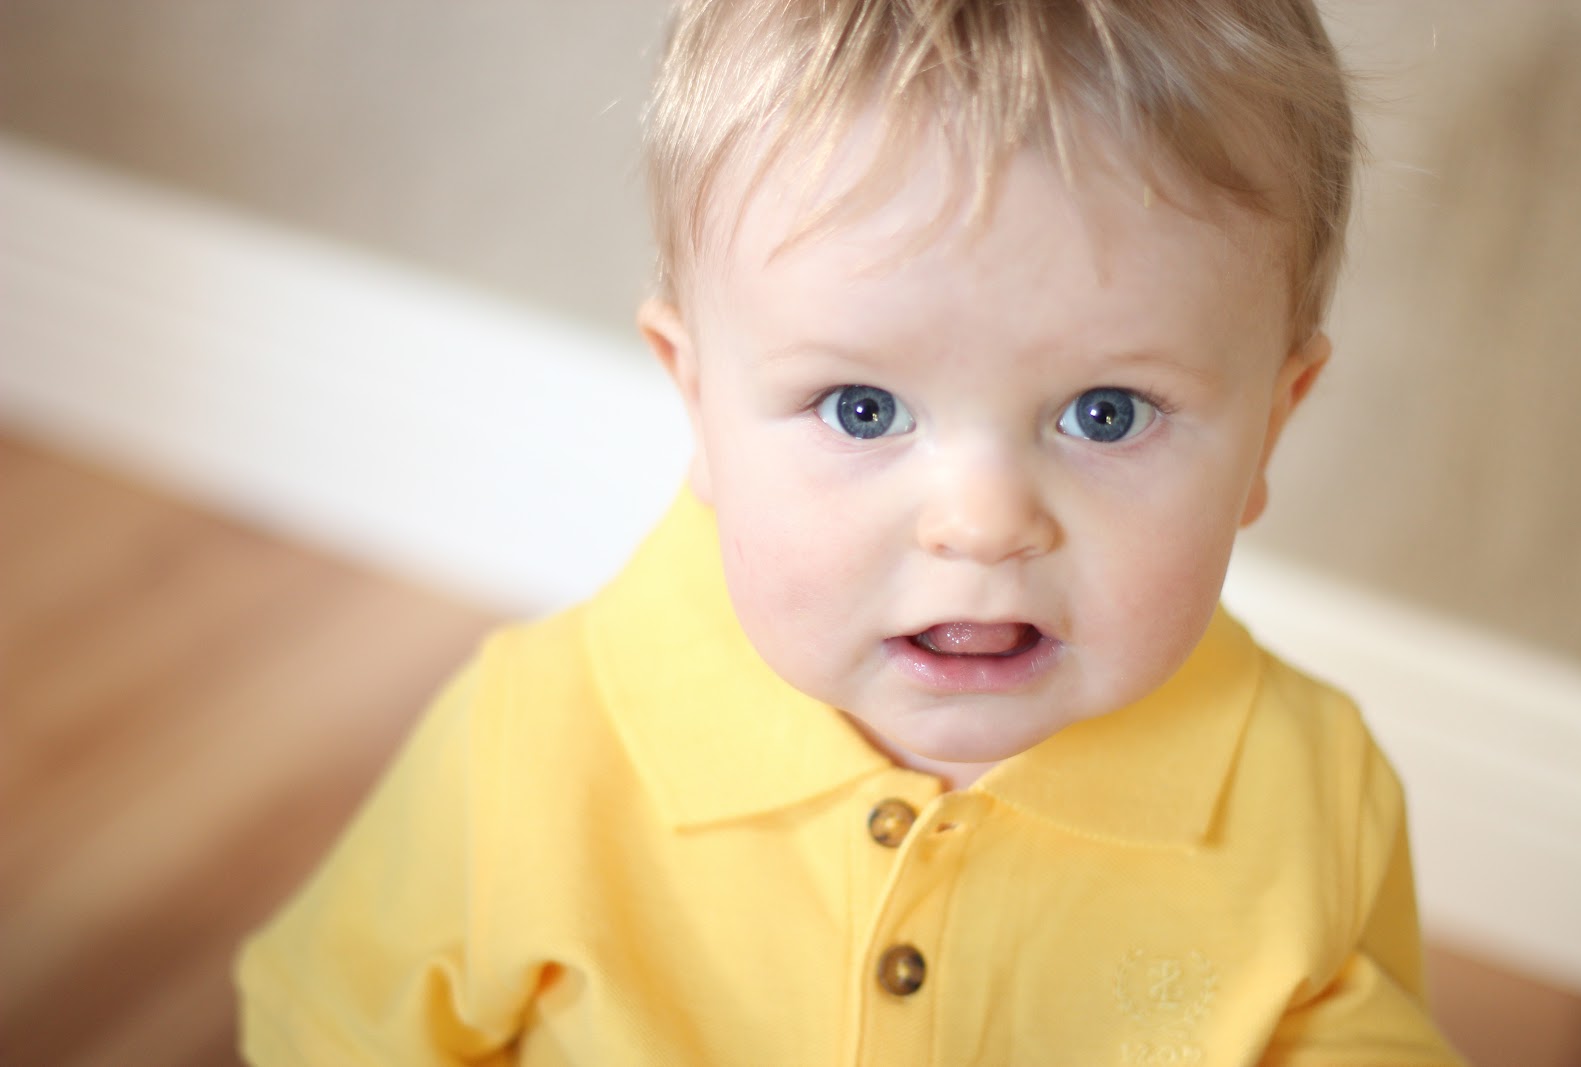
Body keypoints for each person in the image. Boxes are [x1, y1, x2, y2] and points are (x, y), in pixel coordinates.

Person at [236, 2, 1463, 1063]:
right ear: (698, 400)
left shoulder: (1310, 793)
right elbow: (332, 1026)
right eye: (861, 408)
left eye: (1107, 411)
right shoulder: (534, 743)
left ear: (1270, 424)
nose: (981, 523)